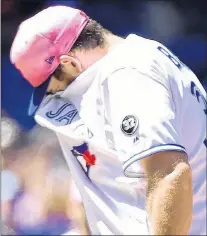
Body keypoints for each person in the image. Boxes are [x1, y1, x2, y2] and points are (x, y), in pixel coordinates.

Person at [10, 5, 206, 235]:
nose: (56, 96)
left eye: (55, 88)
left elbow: (169, 175)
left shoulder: (127, 74)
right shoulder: (137, 55)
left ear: (69, 64)